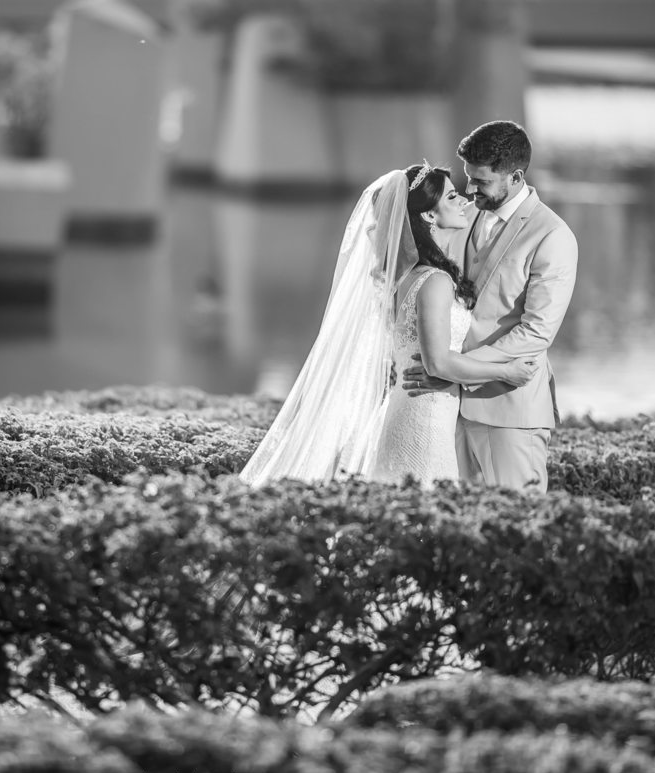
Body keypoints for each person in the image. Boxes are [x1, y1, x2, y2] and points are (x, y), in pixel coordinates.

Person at [239, 160, 538, 488]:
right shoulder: (434, 281)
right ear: (428, 215)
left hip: (414, 408)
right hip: (423, 420)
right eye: (452, 198)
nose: (465, 201)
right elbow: (438, 362)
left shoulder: (402, 278)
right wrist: (505, 371)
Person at [402, 120, 578, 493]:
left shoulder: (553, 236)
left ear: (514, 177)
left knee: (517, 525)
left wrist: (452, 367)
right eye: (468, 178)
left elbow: (535, 333)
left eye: (480, 181)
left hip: (508, 408)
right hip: (444, 407)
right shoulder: (461, 215)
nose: (469, 189)